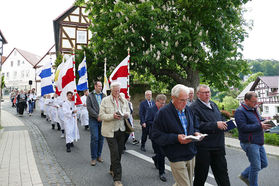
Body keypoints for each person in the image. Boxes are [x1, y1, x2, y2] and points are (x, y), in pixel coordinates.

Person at [152, 84, 201, 186]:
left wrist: (196, 132)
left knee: (185, 183)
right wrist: (176, 138)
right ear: (173, 98)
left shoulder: (189, 110)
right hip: (176, 154)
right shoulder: (163, 113)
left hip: (191, 153)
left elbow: (195, 125)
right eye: (182, 100)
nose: (185, 103)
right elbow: (155, 135)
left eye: (187, 100)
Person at [190, 84, 230, 186]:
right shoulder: (193, 107)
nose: (207, 94)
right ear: (198, 94)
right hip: (204, 148)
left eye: (209, 92)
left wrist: (225, 123)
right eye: (205, 92)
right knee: (200, 176)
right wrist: (215, 125)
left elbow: (219, 118)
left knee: (223, 176)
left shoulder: (213, 104)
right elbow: (197, 125)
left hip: (218, 146)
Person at [235, 92, 271, 186]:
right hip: (249, 142)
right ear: (246, 100)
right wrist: (260, 125)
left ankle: (244, 175)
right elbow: (243, 127)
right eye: (253, 102)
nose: (255, 104)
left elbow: (258, 121)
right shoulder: (240, 111)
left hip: (258, 141)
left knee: (264, 163)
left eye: (256, 101)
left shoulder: (254, 108)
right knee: (255, 167)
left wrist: (266, 122)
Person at [99, 82, 130, 186]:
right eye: (115, 91)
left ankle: (113, 168)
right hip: (109, 131)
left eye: (119, 90)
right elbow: (101, 116)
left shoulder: (123, 100)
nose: (118, 92)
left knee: (119, 152)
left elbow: (128, 112)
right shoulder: (105, 100)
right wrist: (112, 116)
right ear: (111, 90)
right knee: (115, 153)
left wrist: (125, 114)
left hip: (121, 130)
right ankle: (117, 179)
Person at [145, 94, 167, 182]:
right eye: (161, 103)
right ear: (157, 101)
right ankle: (162, 173)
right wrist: (157, 124)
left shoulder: (165, 110)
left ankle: (156, 159)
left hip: (164, 135)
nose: (163, 105)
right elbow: (148, 121)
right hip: (155, 135)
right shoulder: (151, 109)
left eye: (164, 103)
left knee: (162, 153)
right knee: (160, 153)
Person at [86, 81, 106, 166]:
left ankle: (99, 156)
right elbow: (89, 108)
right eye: (99, 86)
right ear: (95, 87)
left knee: (101, 138)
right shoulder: (90, 96)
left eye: (101, 86)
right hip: (93, 119)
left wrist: (103, 116)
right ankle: (93, 158)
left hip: (103, 120)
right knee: (95, 138)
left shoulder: (104, 96)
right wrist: (97, 116)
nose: (100, 88)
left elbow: (106, 107)